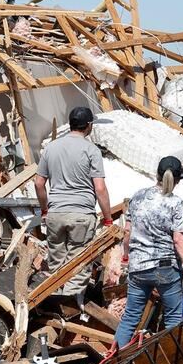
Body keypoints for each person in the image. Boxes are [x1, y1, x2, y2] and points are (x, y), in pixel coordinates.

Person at [114, 157, 183, 347]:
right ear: (177, 180)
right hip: (165, 269)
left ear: (157, 174)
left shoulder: (138, 197)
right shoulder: (176, 203)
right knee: (173, 318)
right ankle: (173, 363)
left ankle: (114, 361)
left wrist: (126, 257)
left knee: (130, 318)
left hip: (138, 267)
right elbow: (178, 239)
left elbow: (127, 231)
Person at [33, 107, 113, 297]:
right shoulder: (91, 150)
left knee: (56, 265)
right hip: (81, 214)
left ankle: (55, 304)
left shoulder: (51, 148)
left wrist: (45, 210)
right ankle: (68, 310)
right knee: (78, 265)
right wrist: (108, 219)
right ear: (88, 126)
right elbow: (100, 188)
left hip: (55, 214)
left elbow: (38, 183)